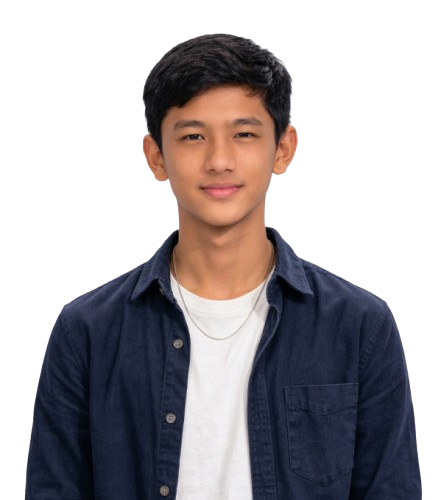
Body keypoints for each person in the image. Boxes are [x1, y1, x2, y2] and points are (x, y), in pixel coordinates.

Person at [25, 33, 422, 499]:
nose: (219, 160)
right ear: (156, 157)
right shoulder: (86, 331)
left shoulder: (359, 325)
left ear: (283, 149)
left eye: (244, 134)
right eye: (193, 136)